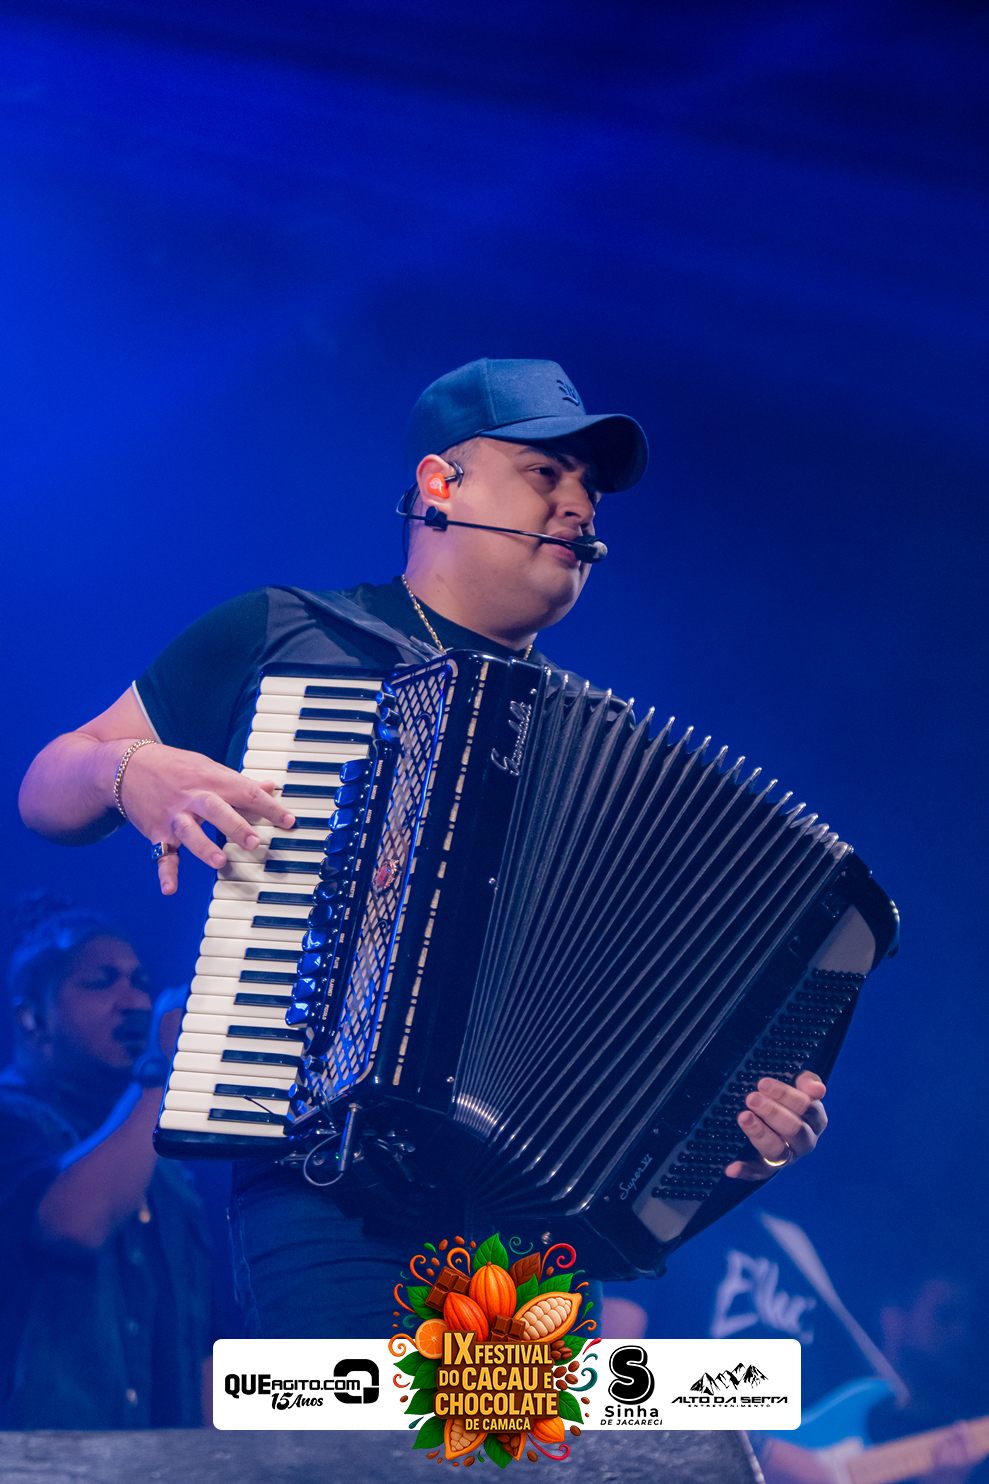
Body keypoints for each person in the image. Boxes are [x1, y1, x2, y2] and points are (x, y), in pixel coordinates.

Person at [19, 357, 830, 1337]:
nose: (579, 505)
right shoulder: (289, 635)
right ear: (441, 483)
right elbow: (47, 789)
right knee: (369, 1428)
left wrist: (730, 1137)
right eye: (545, 473)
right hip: (324, 1191)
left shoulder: (593, 747)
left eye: (590, 488)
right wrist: (129, 769)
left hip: (529, 1228)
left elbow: (637, 1043)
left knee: (508, 1432)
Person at [0, 896, 211, 1428]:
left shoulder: (161, 1162)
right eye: (101, 983)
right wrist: (161, 1070)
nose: (135, 1002)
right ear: (32, 1016)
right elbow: (72, 1224)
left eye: (141, 982)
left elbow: (201, 1352)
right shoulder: (10, 1118)